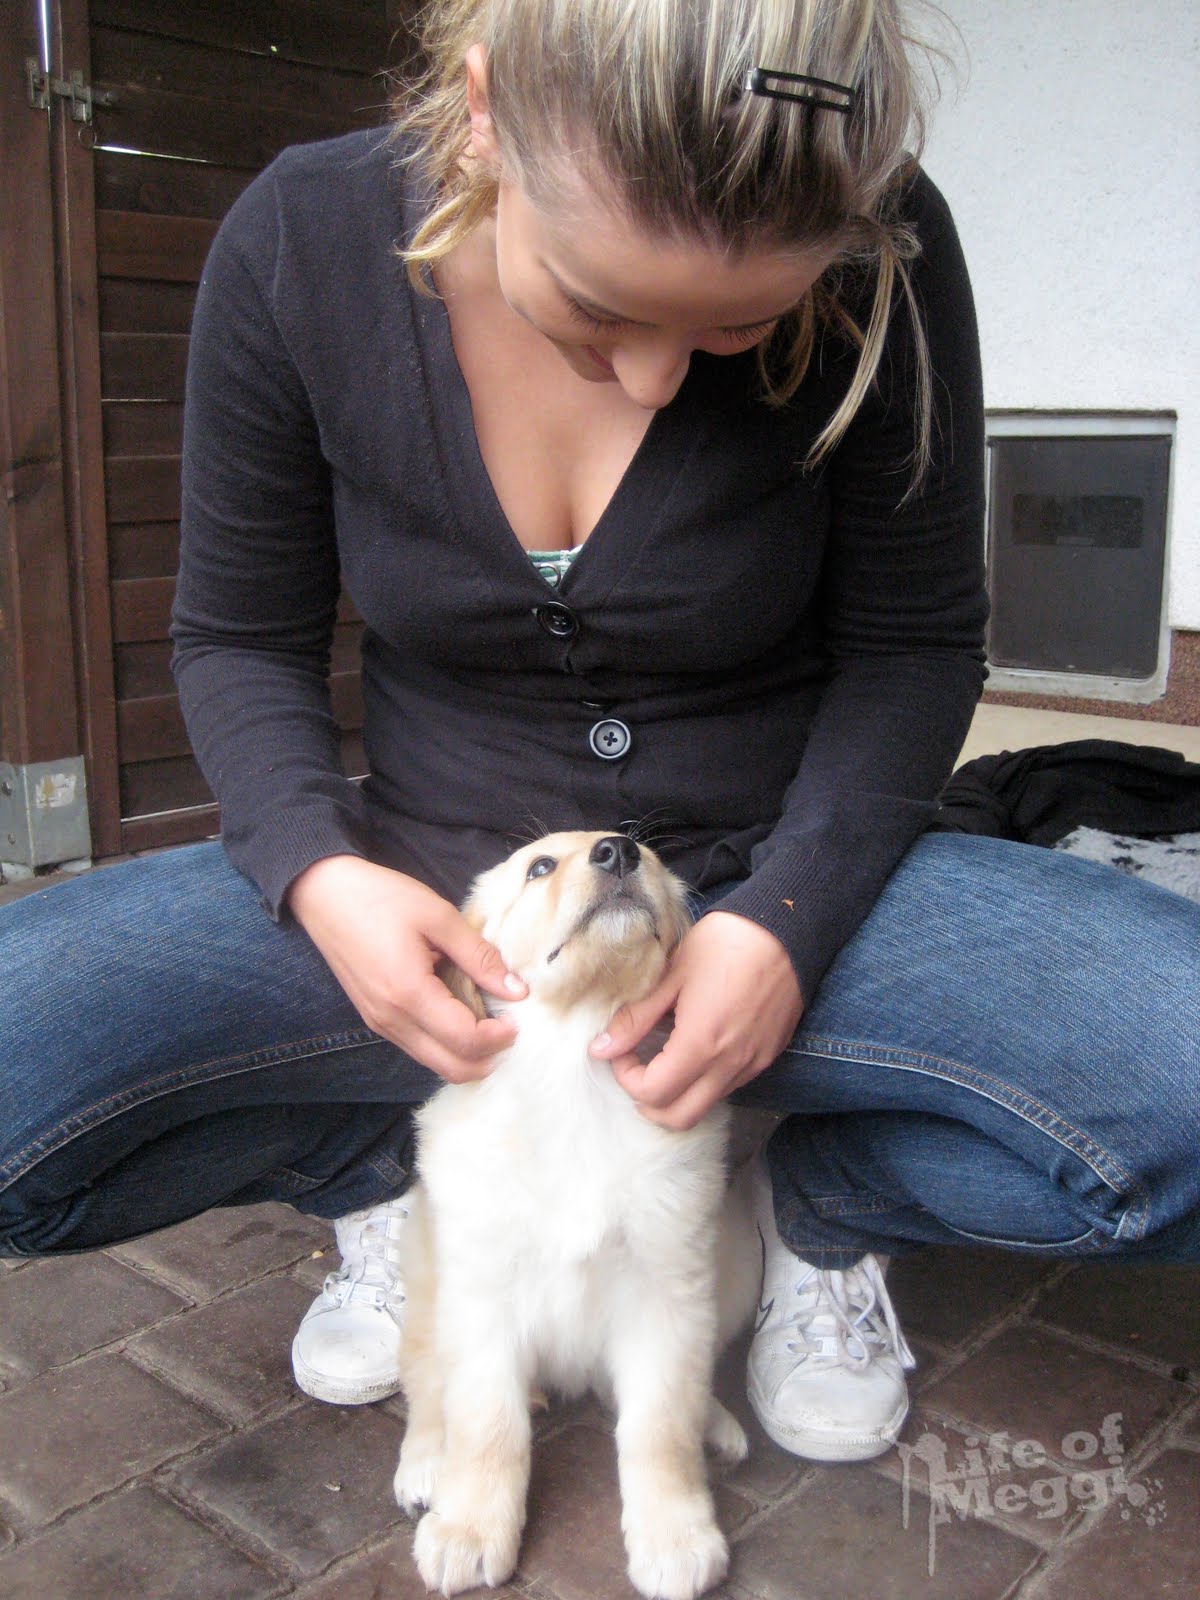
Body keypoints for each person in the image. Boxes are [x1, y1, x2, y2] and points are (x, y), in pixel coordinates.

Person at [2, 0, 1197, 1470]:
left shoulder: (887, 242)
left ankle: (826, 1206)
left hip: (788, 874)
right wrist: (318, 872)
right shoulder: (298, 244)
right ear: (486, 117)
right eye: (597, 309)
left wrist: (787, 923)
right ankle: (395, 1179)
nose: (656, 379)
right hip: (439, 900)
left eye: (740, 328)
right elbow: (238, 638)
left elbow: (915, 646)